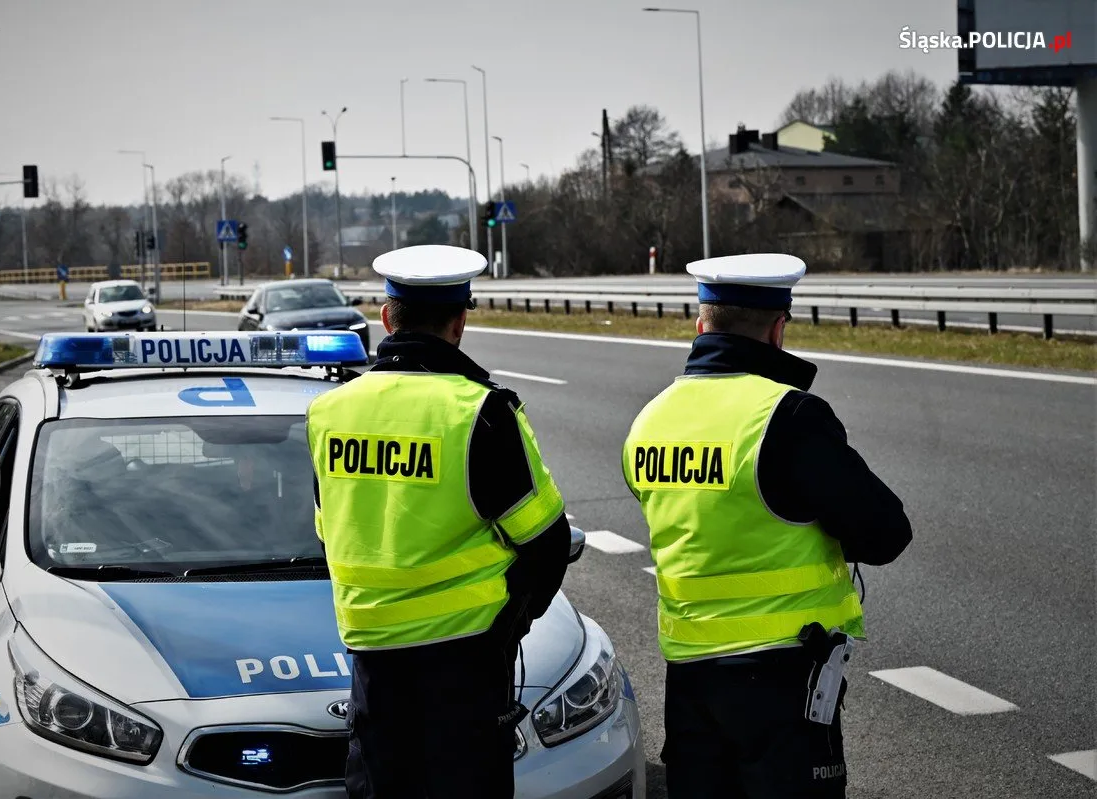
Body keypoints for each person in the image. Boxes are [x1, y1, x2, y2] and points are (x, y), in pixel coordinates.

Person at [622, 253, 912, 798]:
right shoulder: (789, 416)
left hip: (688, 675)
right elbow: (886, 533)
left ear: (700, 323)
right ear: (778, 330)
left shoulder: (651, 418)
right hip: (782, 678)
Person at [306, 244, 572, 799]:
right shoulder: (480, 412)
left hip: (372, 666)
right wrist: (511, 626)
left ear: (386, 317)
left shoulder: (328, 411)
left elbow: (329, 527)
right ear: (459, 323)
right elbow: (548, 544)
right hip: (466, 665)